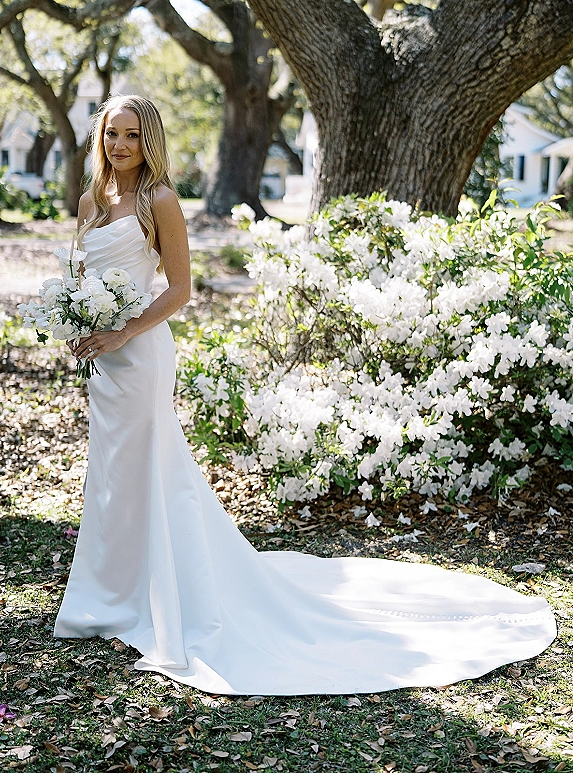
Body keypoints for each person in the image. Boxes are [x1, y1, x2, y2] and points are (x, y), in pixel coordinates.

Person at [54, 94, 556, 696]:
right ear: (100, 138)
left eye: (133, 135)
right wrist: (76, 322)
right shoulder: (89, 201)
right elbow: (81, 277)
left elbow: (180, 289)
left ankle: (160, 592)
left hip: (140, 352)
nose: (120, 146)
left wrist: (124, 329)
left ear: (149, 140)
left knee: (152, 467)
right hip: (103, 359)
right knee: (110, 472)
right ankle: (110, 593)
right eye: (112, 134)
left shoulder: (158, 201)